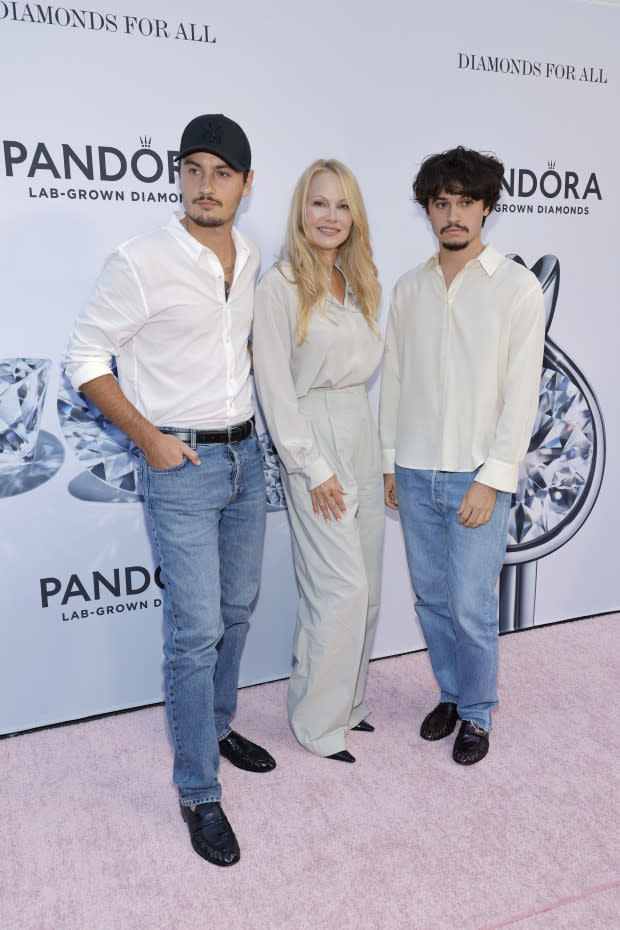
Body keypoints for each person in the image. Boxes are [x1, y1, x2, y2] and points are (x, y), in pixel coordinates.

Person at [64, 114, 275, 867]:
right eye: (193, 169)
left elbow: (239, 347)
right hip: (178, 467)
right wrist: (148, 438)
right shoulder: (141, 258)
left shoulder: (252, 257)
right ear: (179, 176)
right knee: (193, 633)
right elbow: (85, 358)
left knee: (237, 608)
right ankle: (197, 791)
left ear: (247, 185)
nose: (205, 185)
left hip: (248, 460)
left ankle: (216, 724)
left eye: (222, 173)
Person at [379, 147, 545, 765]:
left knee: (472, 606)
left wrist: (493, 479)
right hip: (417, 473)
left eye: (465, 202)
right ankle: (450, 694)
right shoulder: (408, 288)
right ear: (428, 209)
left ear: (486, 208)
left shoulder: (516, 289)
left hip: (479, 475)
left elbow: (522, 394)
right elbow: (394, 378)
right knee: (429, 598)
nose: (453, 214)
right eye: (441, 202)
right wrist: (392, 461)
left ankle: (477, 712)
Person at [253, 159, 384, 763]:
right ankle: (317, 723)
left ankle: (347, 703)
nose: (330, 217)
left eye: (342, 205)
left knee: (369, 585)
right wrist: (311, 464)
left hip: (357, 423)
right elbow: (275, 387)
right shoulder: (280, 285)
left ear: (354, 215)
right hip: (312, 435)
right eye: (318, 204)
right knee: (339, 587)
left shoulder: (358, 283)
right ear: (300, 211)